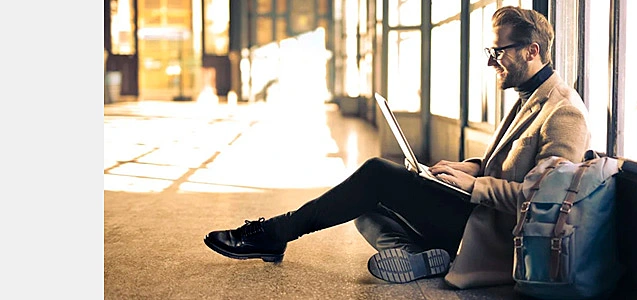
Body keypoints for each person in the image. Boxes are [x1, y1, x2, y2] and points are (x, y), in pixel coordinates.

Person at [203, 5, 590, 289]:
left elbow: (545, 203)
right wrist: (466, 168)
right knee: (360, 208)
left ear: (532, 50)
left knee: (375, 174)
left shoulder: (563, 112)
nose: (492, 63)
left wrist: (471, 187)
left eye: (498, 52)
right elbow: (505, 165)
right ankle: (417, 257)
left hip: (492, 235)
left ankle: (274, 233)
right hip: (475, 214)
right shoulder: (530, 96)